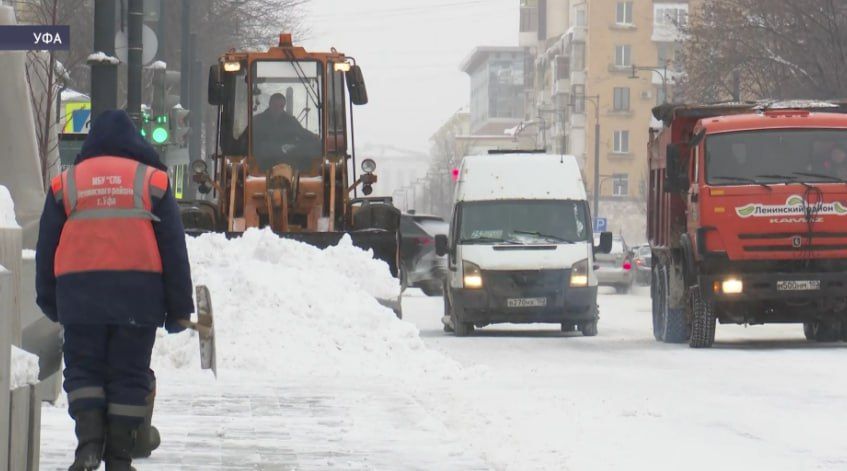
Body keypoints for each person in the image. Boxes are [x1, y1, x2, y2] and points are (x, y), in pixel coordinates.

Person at [35, 110, 194, 471]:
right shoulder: (152, 181)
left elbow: (47, 246)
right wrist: (179, 307)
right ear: (134, 142)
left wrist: (49, 298)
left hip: (80, 294)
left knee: (84, 369)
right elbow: (172, 246)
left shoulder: (67, 183)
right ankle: (119, 457)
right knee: (129, 373)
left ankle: (89, 447)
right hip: (137, 296)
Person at [251, 92, 320, 171]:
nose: (278, 109)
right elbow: (250, 141)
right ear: (270, 104)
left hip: (287, 163)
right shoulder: (257, 121)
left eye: (281, 106)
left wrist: (313, 137)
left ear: (284, 107)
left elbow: (302, 132)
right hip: (262, 163)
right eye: (275, 105)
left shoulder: (290, 121)